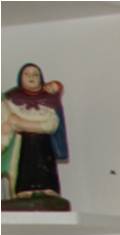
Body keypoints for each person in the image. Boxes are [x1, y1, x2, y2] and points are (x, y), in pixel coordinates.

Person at [1, 63, 69, 202]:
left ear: (41, 79)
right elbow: (6, 122)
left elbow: (51, 125)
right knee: (24, 166)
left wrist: (19, 123)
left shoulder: (50, 99)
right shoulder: (11, 99)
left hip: (44, 145)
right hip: (22, 145)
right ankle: (23, 190)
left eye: (35, 74)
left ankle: (48, 189)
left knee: (46, 166)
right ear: (20, 78)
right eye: (27, 74)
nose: (31, 77)